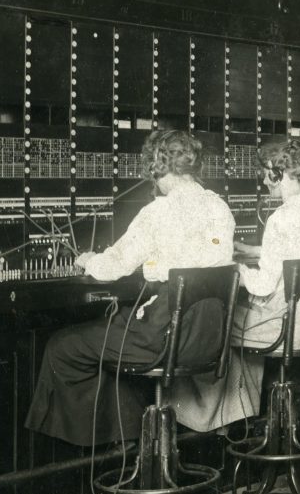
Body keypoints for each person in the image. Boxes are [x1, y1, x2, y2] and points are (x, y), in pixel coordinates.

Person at [25, 130, 235, 446]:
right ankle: (132, 445)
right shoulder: (220, 207)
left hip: (164, 339)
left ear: (157, 166)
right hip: (208, 339)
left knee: (64, 345)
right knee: (114, 332)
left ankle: (86, 459)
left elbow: (113, 267)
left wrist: (89, 259)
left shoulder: (157, 212)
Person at [167, 139, 300, 432]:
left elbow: (262, 286)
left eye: (267, 173)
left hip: (287, 330)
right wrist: (257, 251)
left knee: (215, 322)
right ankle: (259, 409)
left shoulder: (280, 218)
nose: (264, 180)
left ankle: (224, 420)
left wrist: (234, 266)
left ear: (279, 173)